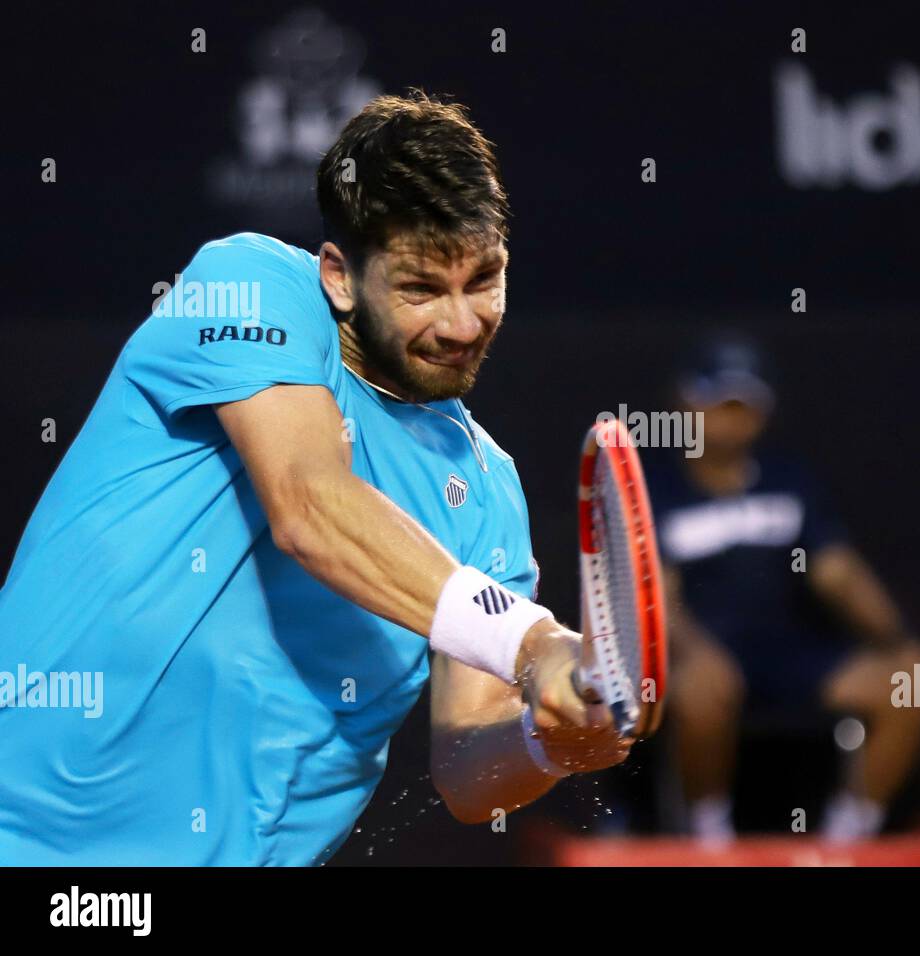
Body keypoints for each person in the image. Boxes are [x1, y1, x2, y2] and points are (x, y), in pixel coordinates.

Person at [0, 91, 623, 865]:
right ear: (338, 275)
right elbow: (309, 506)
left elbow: (466, 774)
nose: (463, 324)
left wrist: (551, 738)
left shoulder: (489, 490)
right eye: (421, 288)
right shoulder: (251, 284)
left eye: (484, 278)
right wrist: (532, 642)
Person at [647, 338, 920, 842]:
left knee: (919, 678)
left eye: (742, 405)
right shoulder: (655, 487)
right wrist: (695, 653)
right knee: (702, 685)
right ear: (686, 402)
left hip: (792, 654)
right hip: (701, 656)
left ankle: (848, 837)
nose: (729, 418)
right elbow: (657, 595)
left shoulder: (789, 479)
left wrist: (896, 638)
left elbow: (838, 574)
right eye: (717, 402)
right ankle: (708, 838)